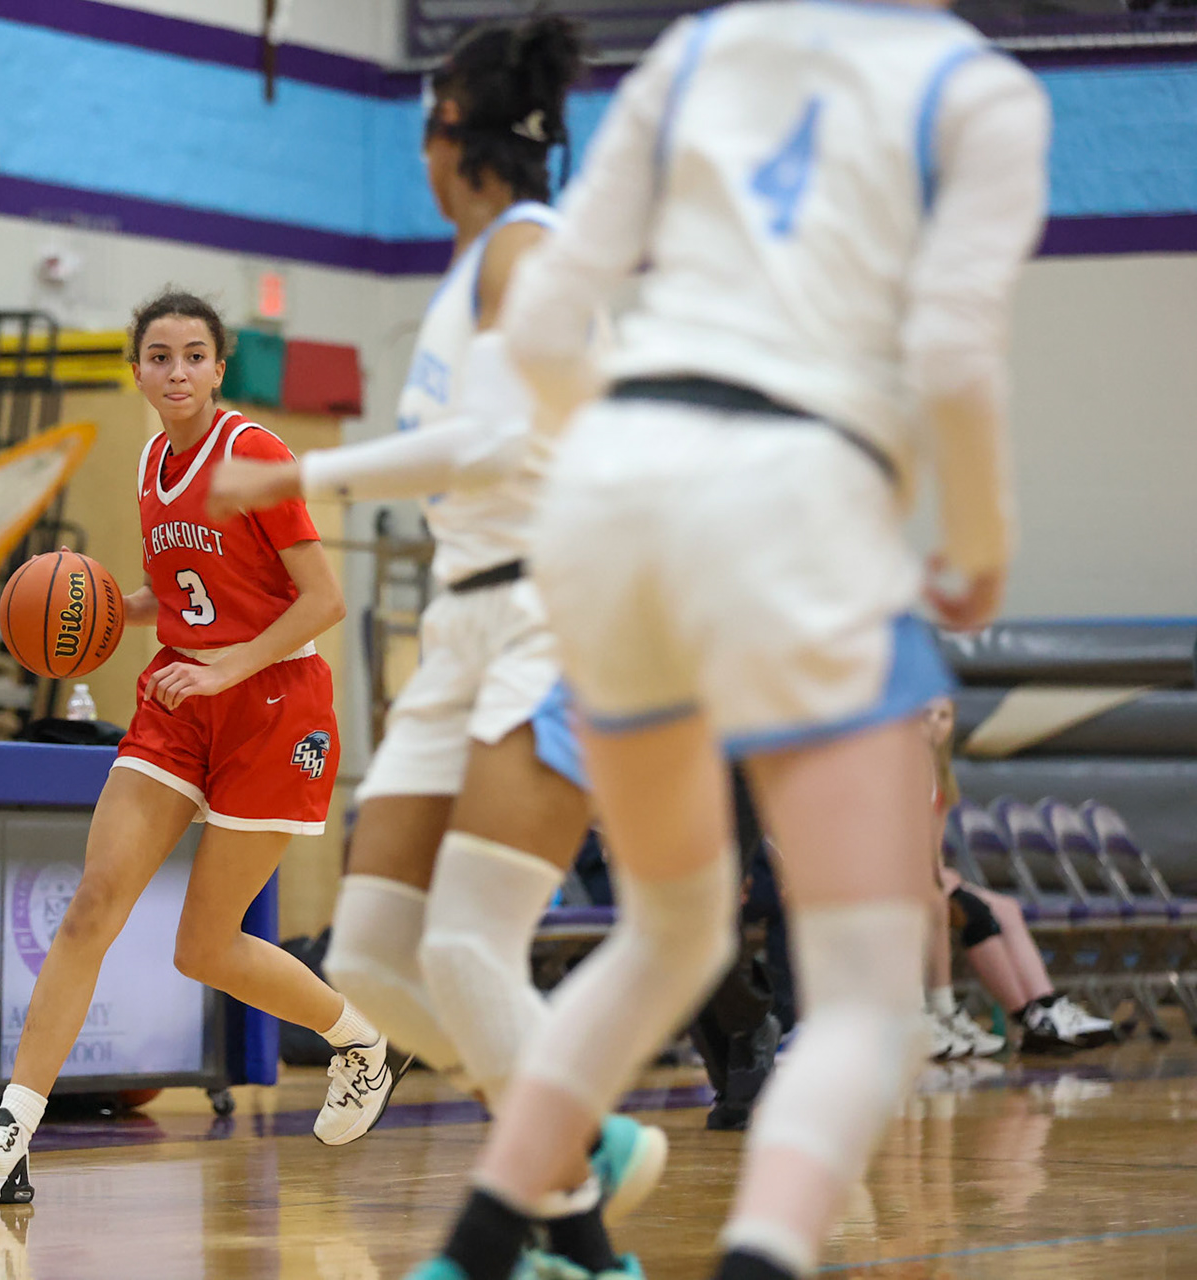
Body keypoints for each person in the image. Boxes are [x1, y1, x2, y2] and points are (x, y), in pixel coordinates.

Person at [411, 3, 1051, 1277]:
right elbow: (947, 348)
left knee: (670, 930)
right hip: (795, 492)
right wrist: (981, 537)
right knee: (869, 993)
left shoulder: (698, 46)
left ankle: (477, 1251)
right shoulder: (982, 92)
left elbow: (541, 332)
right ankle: (761, 1255)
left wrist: (649, 468)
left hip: (609, 494)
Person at [208, 15, 667, 1256]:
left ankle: (574, 1232)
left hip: (552, 613)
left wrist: (310, 473)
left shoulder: (532, 256)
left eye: (426, 125)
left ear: (450, 137)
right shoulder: (472, 274)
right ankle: (575, 1137)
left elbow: (494, 445)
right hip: (464, 616)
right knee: (372, 956)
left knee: (468, 942)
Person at [0, 290, 384, 1206]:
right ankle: (9, 1137)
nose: (176, 372)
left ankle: (359, 1044)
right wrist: (106, 609)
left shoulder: (254, 454)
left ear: (220, 368)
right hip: (178, 698)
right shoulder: (149, 460)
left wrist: (227, 669)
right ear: (136, 369)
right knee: (93, 901)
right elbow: (184, 592)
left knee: (204, 949)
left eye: (194, 356)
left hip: (275, 704)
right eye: (160, 356)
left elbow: (322, 600)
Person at [920, 698, 1113, 1057]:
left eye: (944, 716)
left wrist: (938, 873)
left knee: (1006, 906)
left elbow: (932, 846)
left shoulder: (941, 773)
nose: (934, 723)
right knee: (968, 909)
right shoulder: (903, 769)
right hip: (903, 879)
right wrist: (932, 877)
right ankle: (1016, 1015)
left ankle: (1045, 1006)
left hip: (924, 873)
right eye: (926, 714)